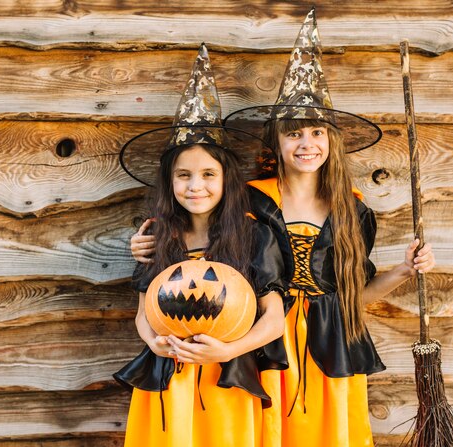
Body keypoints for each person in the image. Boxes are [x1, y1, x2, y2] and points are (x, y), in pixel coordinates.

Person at [131, 9, 436, 447]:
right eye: (294, 134)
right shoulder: (250, 197)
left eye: (316, 133)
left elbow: (354, 295)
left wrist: (402, 273)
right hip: (257, 336)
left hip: (329, 339)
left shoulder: (352, 210)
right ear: (275, 139)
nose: (306, 144)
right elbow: (193, 234)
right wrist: (146, 244)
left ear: (332, 140)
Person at [114, 44, 287, 447]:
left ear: (226, 179)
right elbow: (144, 313)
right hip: (168, 373)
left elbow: (274, 319)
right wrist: (152, 340)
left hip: (226, 376)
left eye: (208, 174)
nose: (195, 186)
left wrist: (227, 351)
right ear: (169, 182)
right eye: (184, 175)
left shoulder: (253, 235)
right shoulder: (158, 236)